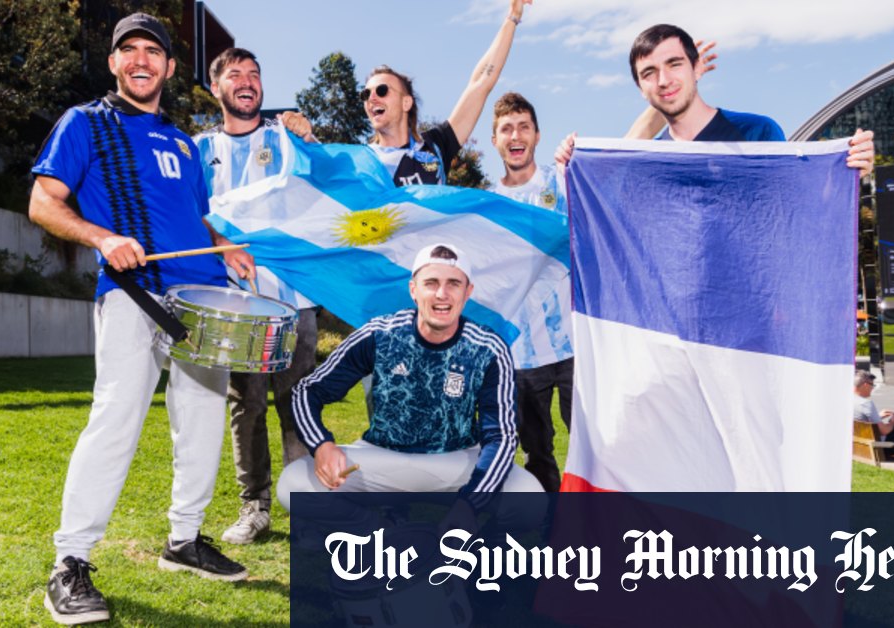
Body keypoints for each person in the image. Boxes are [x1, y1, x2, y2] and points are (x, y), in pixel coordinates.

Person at [29, 13, 254, 625]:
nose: (139, 60)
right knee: (116, 420)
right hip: (134, 291)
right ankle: (69, 563)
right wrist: (102, 238)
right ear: (113, 63)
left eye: (151, 52)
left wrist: (224, 244)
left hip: (203, 301)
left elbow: (195, 216)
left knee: (203, 419)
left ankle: (184, 540)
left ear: (170, 68)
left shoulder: (183, 141)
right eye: (127, 50)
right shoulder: (85, 123)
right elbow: (43, 201)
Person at [277, 243, 542, 514]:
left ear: (467, 292)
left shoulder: (488, 347)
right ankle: (383, 536)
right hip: (382, 458)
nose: (442, 294)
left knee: (529, 495)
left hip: (458, 459)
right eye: (431, 283)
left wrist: (471, 506)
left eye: (453, 283)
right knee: (294, 483)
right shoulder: (380, 334)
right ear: (414, 289)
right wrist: (322, 445)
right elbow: (307, 392)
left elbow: (500, 436)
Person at [193, 47, 318, 545]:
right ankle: (256, 506)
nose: (247, 82)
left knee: (298, 399)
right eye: (235, 75)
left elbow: (322, 183)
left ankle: (305, 500)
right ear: (216, 87)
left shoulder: (283, 138)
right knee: (246, 404)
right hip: (236, 302)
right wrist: (221, 245)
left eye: (255, 74)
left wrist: (309, 135)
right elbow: (192, 214)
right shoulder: (198, 149)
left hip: (293, 299)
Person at [554, 24, 876, 176]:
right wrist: (574, 164)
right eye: (649, 72)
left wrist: (848, 174)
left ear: (697, 68)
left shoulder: (757, 133)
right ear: (640, 88)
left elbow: (795, 204)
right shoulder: (648, 160)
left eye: (674, 64)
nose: (664, 80)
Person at [487, 92, 573, 492]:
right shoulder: (486, 205)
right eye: (506, 128)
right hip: (521, 355)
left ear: (537, 135)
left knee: (596, 447)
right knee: (538, 456)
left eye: (523, 126)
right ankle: (552, 535)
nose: (515, 135)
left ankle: (606, 529)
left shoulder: (564, 180)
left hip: (576, 349)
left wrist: (579, 154)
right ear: (495, 140)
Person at [362, 0, 532, 186]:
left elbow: (481, 83)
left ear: (406, 103)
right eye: (365, 94)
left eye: (382, 90)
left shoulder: (435, 145)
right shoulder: (361, 164)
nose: (371, 98)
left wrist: (512, 17)